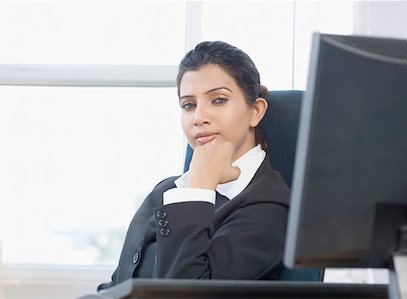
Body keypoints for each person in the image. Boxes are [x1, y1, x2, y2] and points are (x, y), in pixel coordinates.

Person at [98, 41, 290, 291]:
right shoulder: (167, 190)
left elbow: (184, 294)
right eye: (189, 105)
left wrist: (200, 187)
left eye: (218, 100)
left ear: (255, 110)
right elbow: (118, 286)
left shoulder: (270, 207)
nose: (199, 117)